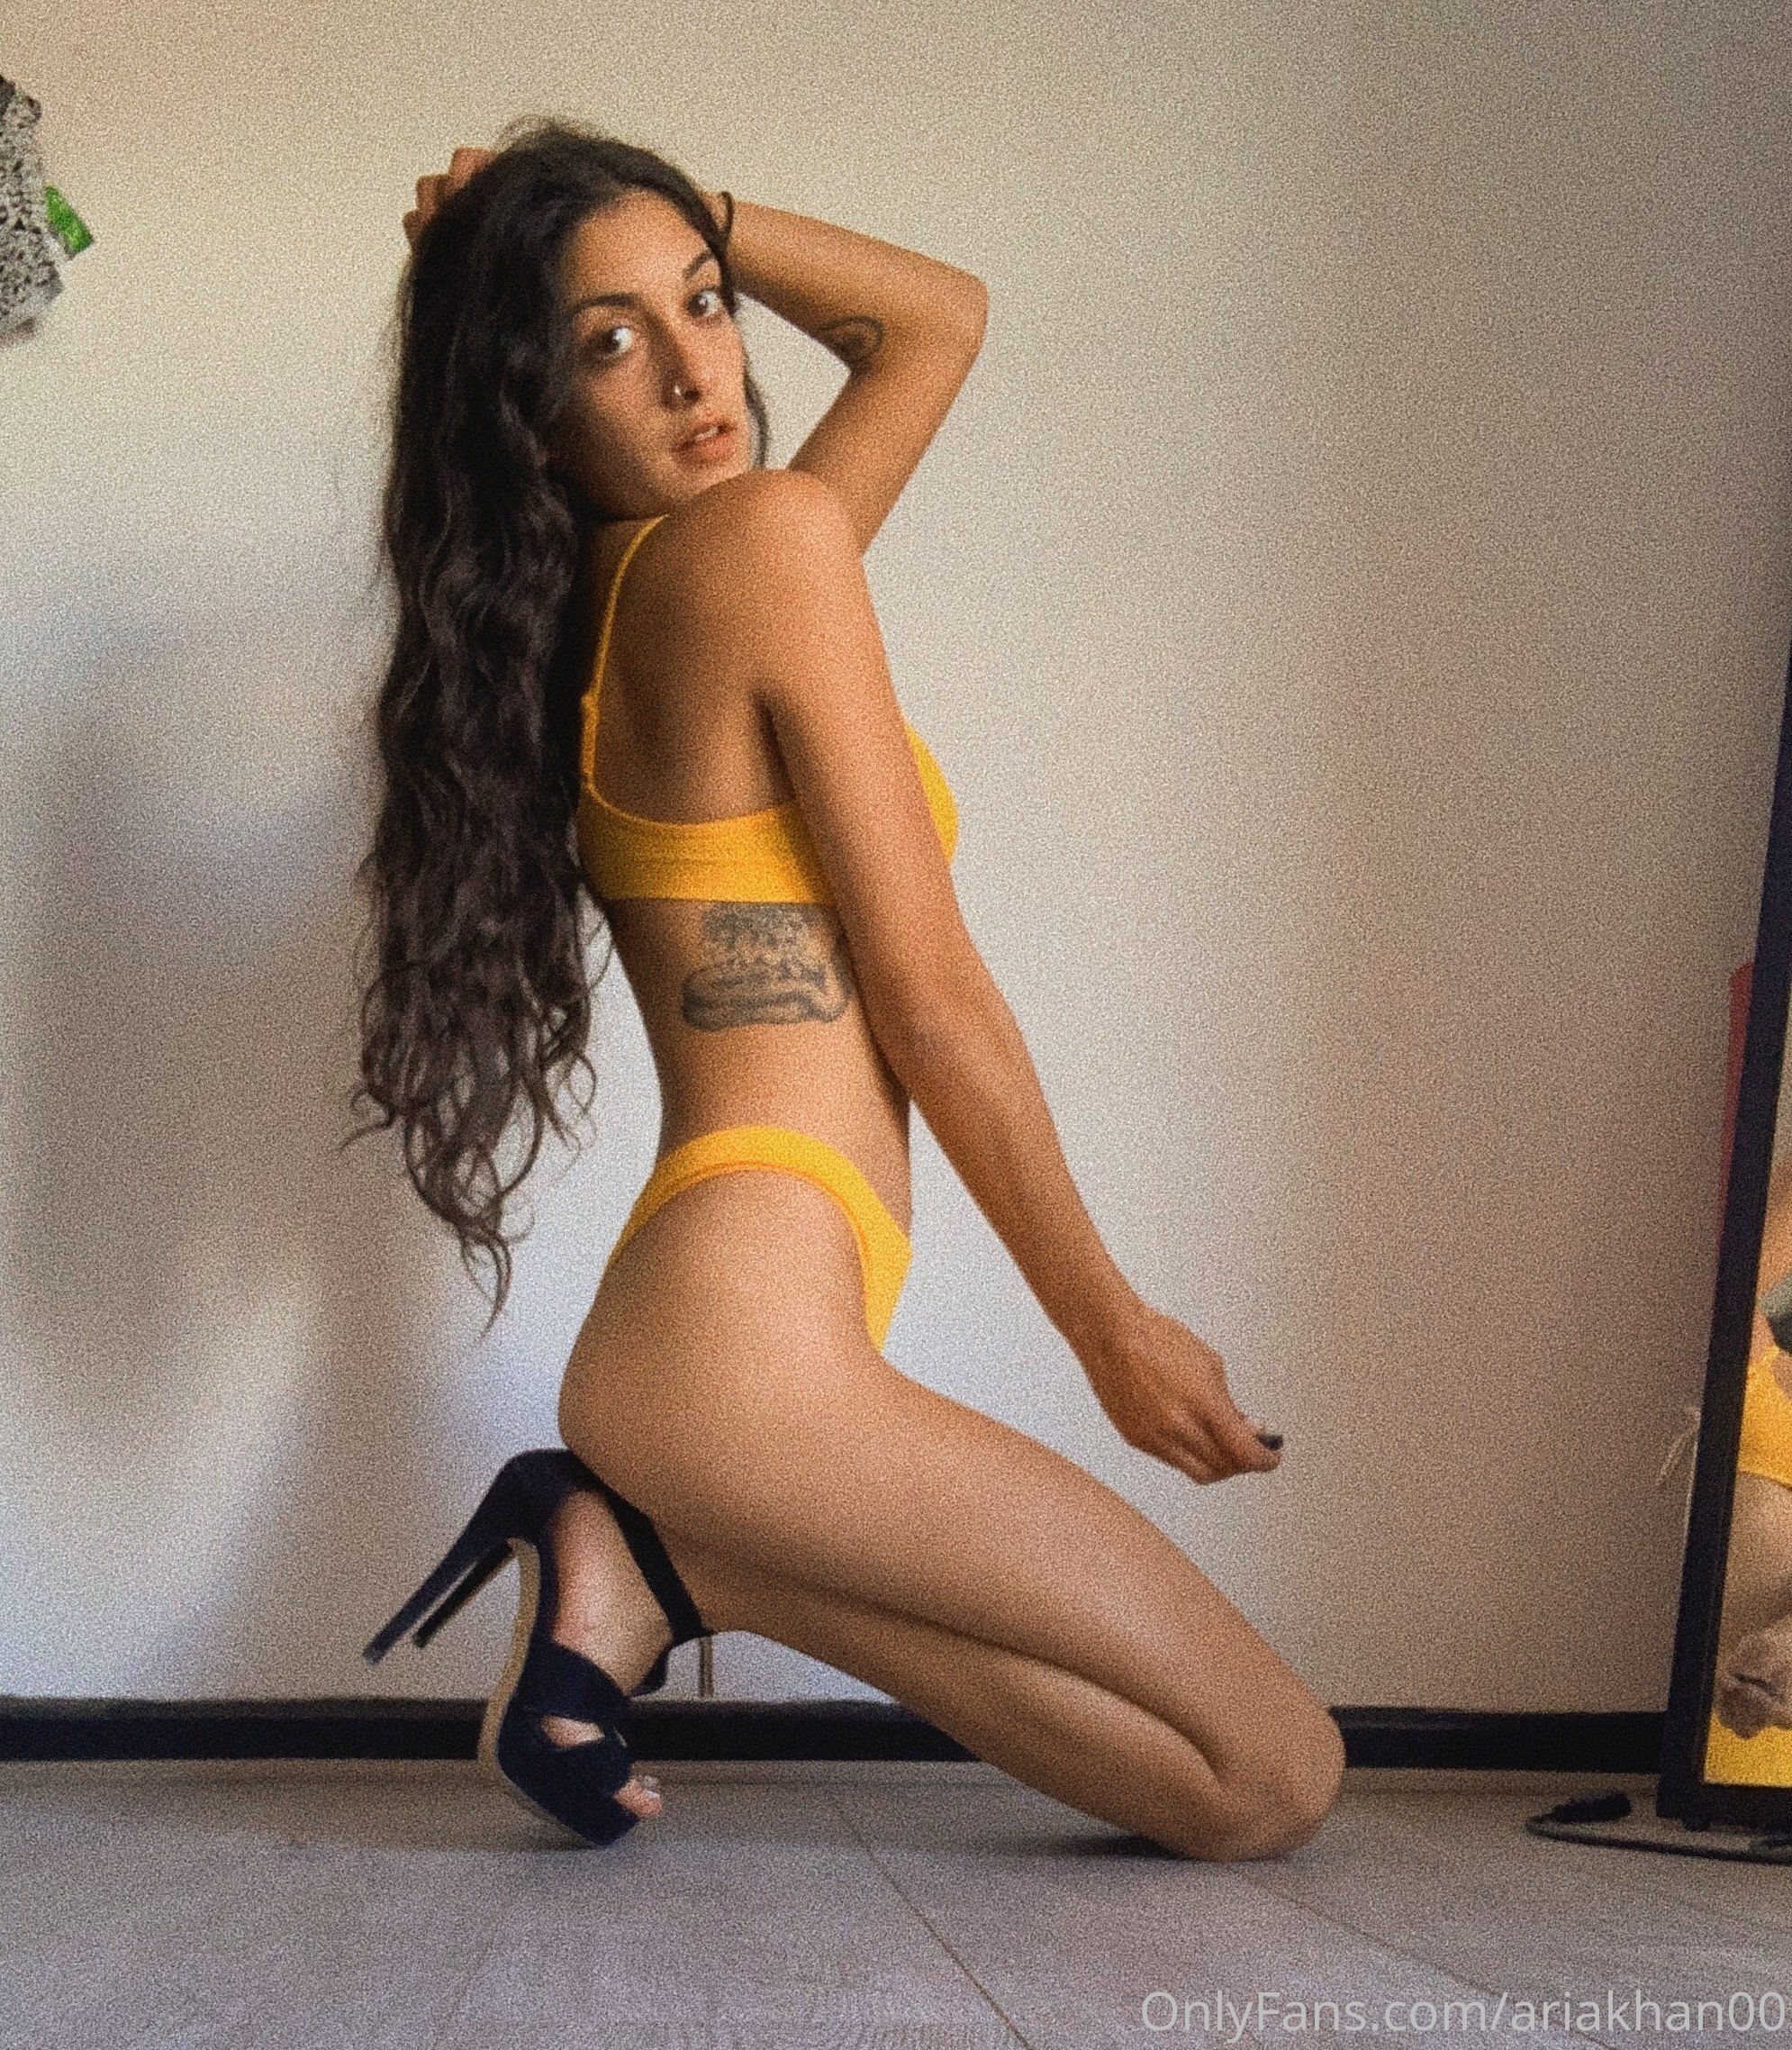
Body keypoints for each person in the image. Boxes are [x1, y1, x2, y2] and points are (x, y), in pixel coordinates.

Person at [351, 117, 1344, 1860]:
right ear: (528, 408)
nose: (695, 372)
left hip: (722, 1308)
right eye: (607, 341)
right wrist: (1108, 1331)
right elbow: (930, 1000)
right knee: (1272, 1777)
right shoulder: (754, 552)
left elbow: (934, 322)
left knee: (1246, 1785)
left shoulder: (636, 590)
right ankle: (659, 1556)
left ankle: (653, 1562)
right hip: (741, 1342)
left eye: (705, 301)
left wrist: (612, 214)